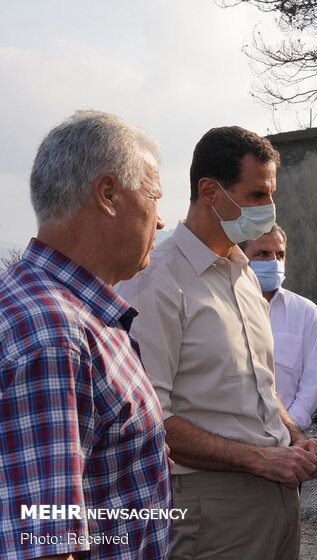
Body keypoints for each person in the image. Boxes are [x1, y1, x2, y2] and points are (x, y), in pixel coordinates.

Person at [116, 126, 317, 560]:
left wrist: (294, 438)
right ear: (210, 191)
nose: (269, 210)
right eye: (256, 196)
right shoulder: (156, 282)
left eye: (271, 195)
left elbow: (263, 390)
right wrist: (257, 458)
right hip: (209, 503)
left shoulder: (243, 272)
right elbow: (147, 420)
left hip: (276, 496)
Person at [0, 110, 171, 559]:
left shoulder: (71, 314)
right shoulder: (52, 334)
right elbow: (47, 543)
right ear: (109, 195)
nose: (160, 221)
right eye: (153, 196)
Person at [241, 225, 317, 430]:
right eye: (262, 254)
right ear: (241, 257)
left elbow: (314, 382)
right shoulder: (225, 306)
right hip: (237, 437)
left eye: (280, 254)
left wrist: (288, 429)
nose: (273, 262)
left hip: (289, 435)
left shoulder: (305, 311)